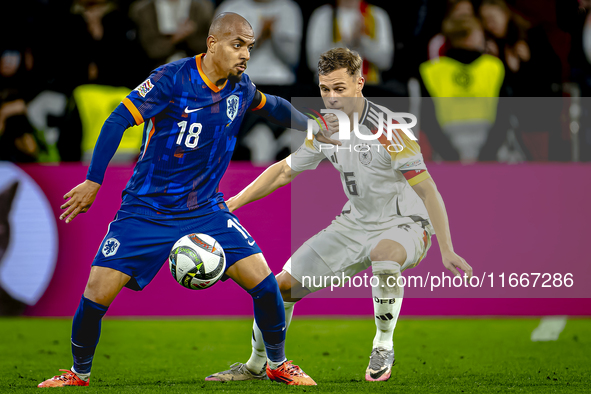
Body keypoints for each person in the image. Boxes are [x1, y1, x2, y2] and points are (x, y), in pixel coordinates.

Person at [37, 12, 339, 388]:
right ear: (212, 44)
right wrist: (93, 181)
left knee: (264, 283)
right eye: (237, 45)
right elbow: (117, 120)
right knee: (95, 295)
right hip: (147, 210)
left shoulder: (239, 87)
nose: (245, 54)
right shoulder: (171, 79)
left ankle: (276, 363)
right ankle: (78, 373)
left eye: (249, 47)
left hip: (205, 210)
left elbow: (272, 106)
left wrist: (313, 125)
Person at [206, 47, 472, 383]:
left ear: (360, 83)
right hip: (354, 224)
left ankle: (383, 344)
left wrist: (446, 248)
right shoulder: (325, 129)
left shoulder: (390, 129)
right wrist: (232, 203)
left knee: (384, 254)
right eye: (325, 89)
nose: (331, 98)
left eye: (339, 89)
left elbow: (428, 190)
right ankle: (258, 364)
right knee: (280, 287)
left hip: (406, 223)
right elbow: (284, 172)